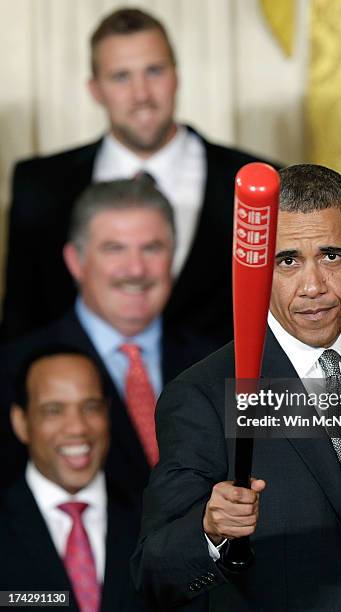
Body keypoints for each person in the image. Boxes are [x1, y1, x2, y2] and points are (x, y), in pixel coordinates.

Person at [131, 164, 341, 611]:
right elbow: (153, 573)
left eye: (331, 256)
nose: (313, 286)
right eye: (286, 261)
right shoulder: (202, 396)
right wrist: (209, 532)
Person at [0, 7, 278, 343]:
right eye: (121, 77)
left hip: (223, 391)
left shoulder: (260, 181)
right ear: (95, 90)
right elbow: (21, 321)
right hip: (85, 389)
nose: (142, 94)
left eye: (154, 71)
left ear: (177, 76)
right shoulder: (39, 184)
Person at [0, 178, 215, 502]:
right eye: (114, 248)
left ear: (173, 257)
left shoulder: (221, 363)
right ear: (75, 262)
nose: (135, 269)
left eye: (152, 248)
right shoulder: (11, 370)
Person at [0, 347, 145, 611]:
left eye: (91, 407)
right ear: (21, 422)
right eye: (53, 410)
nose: (78, 427)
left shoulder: (152, 519)